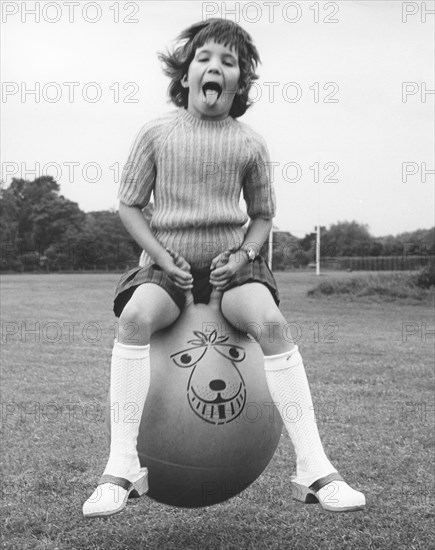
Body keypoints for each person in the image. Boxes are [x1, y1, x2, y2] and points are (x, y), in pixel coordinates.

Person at [83, 18, 365, 518]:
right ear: (186, 74)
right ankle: (122, 466)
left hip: (229, 270)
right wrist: (161, 253)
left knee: (274, 325)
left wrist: (244, 254)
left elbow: (262, 216)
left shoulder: (250, 143)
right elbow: (129, 205)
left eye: (229, 62)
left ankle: (315, 468)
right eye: (204, 58)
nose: (215, 67)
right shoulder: (154, 133)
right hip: (165, 267)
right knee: (132, 321)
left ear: (240, 82)